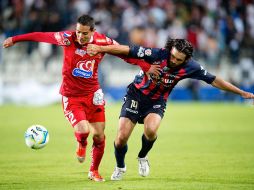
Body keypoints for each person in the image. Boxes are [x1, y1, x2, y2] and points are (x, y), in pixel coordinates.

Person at [2, 14, 160, 182]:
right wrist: (15, 39)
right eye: (78, 32)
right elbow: (42, 36)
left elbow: (125, 54)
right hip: (71, 97)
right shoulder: (67, 38)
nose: (80, 36)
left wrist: (146, 67)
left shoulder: (102, 42)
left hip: (93, 95)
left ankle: (94, 171)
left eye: (84, 33)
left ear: (93, 31)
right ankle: (82, 144)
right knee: (84, 130)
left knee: (99, 136)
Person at [87, 38, 254, 181]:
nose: (173, 61)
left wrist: (241, 92)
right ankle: (120, 167)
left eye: (178, 59)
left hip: (157, 101)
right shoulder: (157, 54)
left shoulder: (192, 67)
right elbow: (127, 50)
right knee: (121, 137)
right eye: (172, 56)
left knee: (151, 130)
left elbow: (214, 80)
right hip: (136, 95)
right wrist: (101, 48)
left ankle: (143, 156)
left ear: (187, 59)